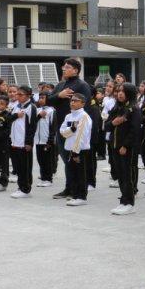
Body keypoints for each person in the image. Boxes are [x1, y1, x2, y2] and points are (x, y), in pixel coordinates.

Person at [49, 59, 94, 200]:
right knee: (66, 159)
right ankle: (69, 188)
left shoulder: (82, 85)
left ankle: (79, 190)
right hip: (61, 126)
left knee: (75, 159)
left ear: (76, 70)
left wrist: (77, 128)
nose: (64, 69)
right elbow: (48, 100)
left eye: (67, 67)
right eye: (63, 66)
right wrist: (59, 95)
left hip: (75, 127)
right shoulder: (61, 85)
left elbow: (85, 108)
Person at [110, 84, 145, 215]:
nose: (120, 94)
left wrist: (125, 145)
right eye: (118, 91)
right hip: (114, 146)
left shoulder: (133, 109)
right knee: (120, 174)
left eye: (123, 92)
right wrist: (113, 123)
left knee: (127, 175)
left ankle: (129, 203)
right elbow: (107, 125)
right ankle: (123, 201)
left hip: (126, 148)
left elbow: (135, 130)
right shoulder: (117, 108)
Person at [60, 93, 92, 207]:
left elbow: (81, 135)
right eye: (71, 100)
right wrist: (72, 129)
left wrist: (76, 151)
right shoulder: (68, 116)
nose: (72, 102)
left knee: (81, 174)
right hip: (69, 148)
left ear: (83, 103)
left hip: (79, 150)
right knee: (72, 173)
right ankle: (75, 195)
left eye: (76, 100)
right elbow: (62, 132)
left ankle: (82, 196)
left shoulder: (84, 116)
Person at [8, 86, 37, 199]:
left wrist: (29, 143)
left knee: (25, 166)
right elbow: (9, 118)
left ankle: (25, 189)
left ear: (28, 96)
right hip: (15, 141)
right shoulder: (16, 106)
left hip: (24, 143)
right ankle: (20, 187)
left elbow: (32, 127)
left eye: (21, 94)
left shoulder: (31, 108)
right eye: (17, 94)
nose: (17, 96)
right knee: (18, 167)